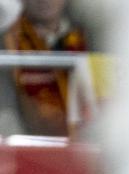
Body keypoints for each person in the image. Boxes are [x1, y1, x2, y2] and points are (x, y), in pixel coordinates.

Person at [2, 0, 88, 136]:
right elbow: (6, 114)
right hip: (27, 145)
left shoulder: (90, 38)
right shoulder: (7, 43)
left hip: (84, 144)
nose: (44, 1)